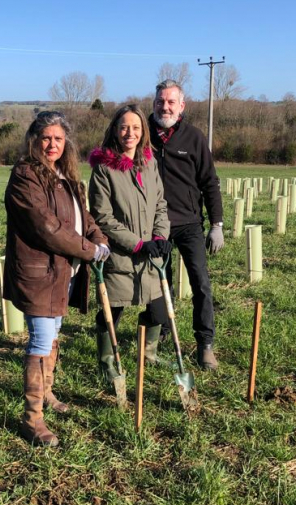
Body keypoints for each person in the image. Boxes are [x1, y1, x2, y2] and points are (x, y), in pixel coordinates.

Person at [3, 111, 109, 447]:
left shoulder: (65, 175)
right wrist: (87, 250)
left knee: (53, 335)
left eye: (59, 139)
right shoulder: (25, 176)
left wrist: (98, 237)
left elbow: (83, 215)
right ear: (34, 140)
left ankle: (46, 392)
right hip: (40, 272)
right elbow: (46, 227)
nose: (52, 145)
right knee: (40, 338)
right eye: (46, 138)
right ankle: (32, 418)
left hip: (64, 271)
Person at [87, 104, 171, 400]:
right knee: (113, 310)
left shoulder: (149, 163)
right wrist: (136, 243)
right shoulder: (104, 169)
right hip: (122, 254)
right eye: (124, 127)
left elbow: (160, 203)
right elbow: (103, 216)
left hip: (151, 254)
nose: (130, 133)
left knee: (158, 309)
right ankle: (107, 362)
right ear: (115, 130)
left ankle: (148, 354)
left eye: (136, 128)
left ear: (143, 132)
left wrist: (161, 236)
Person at [148, 80, 224, 370]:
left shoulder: (194, 137)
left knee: (200, 284)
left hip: (189, 223)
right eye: (160, 101)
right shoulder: (143, 135)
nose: (164, 107)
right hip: (156, 225)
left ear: (181, 106)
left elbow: (209, 182)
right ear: (153, 103)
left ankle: (205, 345)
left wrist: (216, 224)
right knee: (157, 284)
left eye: (170, 102)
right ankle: (161, 333)